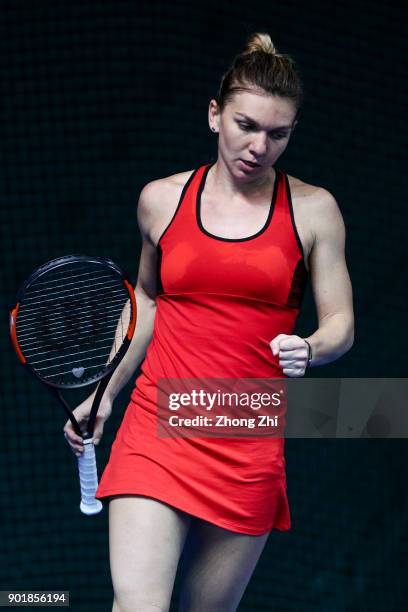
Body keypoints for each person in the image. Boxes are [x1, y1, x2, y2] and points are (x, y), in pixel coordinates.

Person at [64, 32, 354, 612]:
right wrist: (105, 391)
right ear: (214, 114)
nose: (259, 146)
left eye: (279, 134)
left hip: (248, 437)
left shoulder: (314, 209)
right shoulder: (161, 200)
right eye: (246, 125)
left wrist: (312, 347)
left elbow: (340, 322)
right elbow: (147, 301)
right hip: (156, 426)